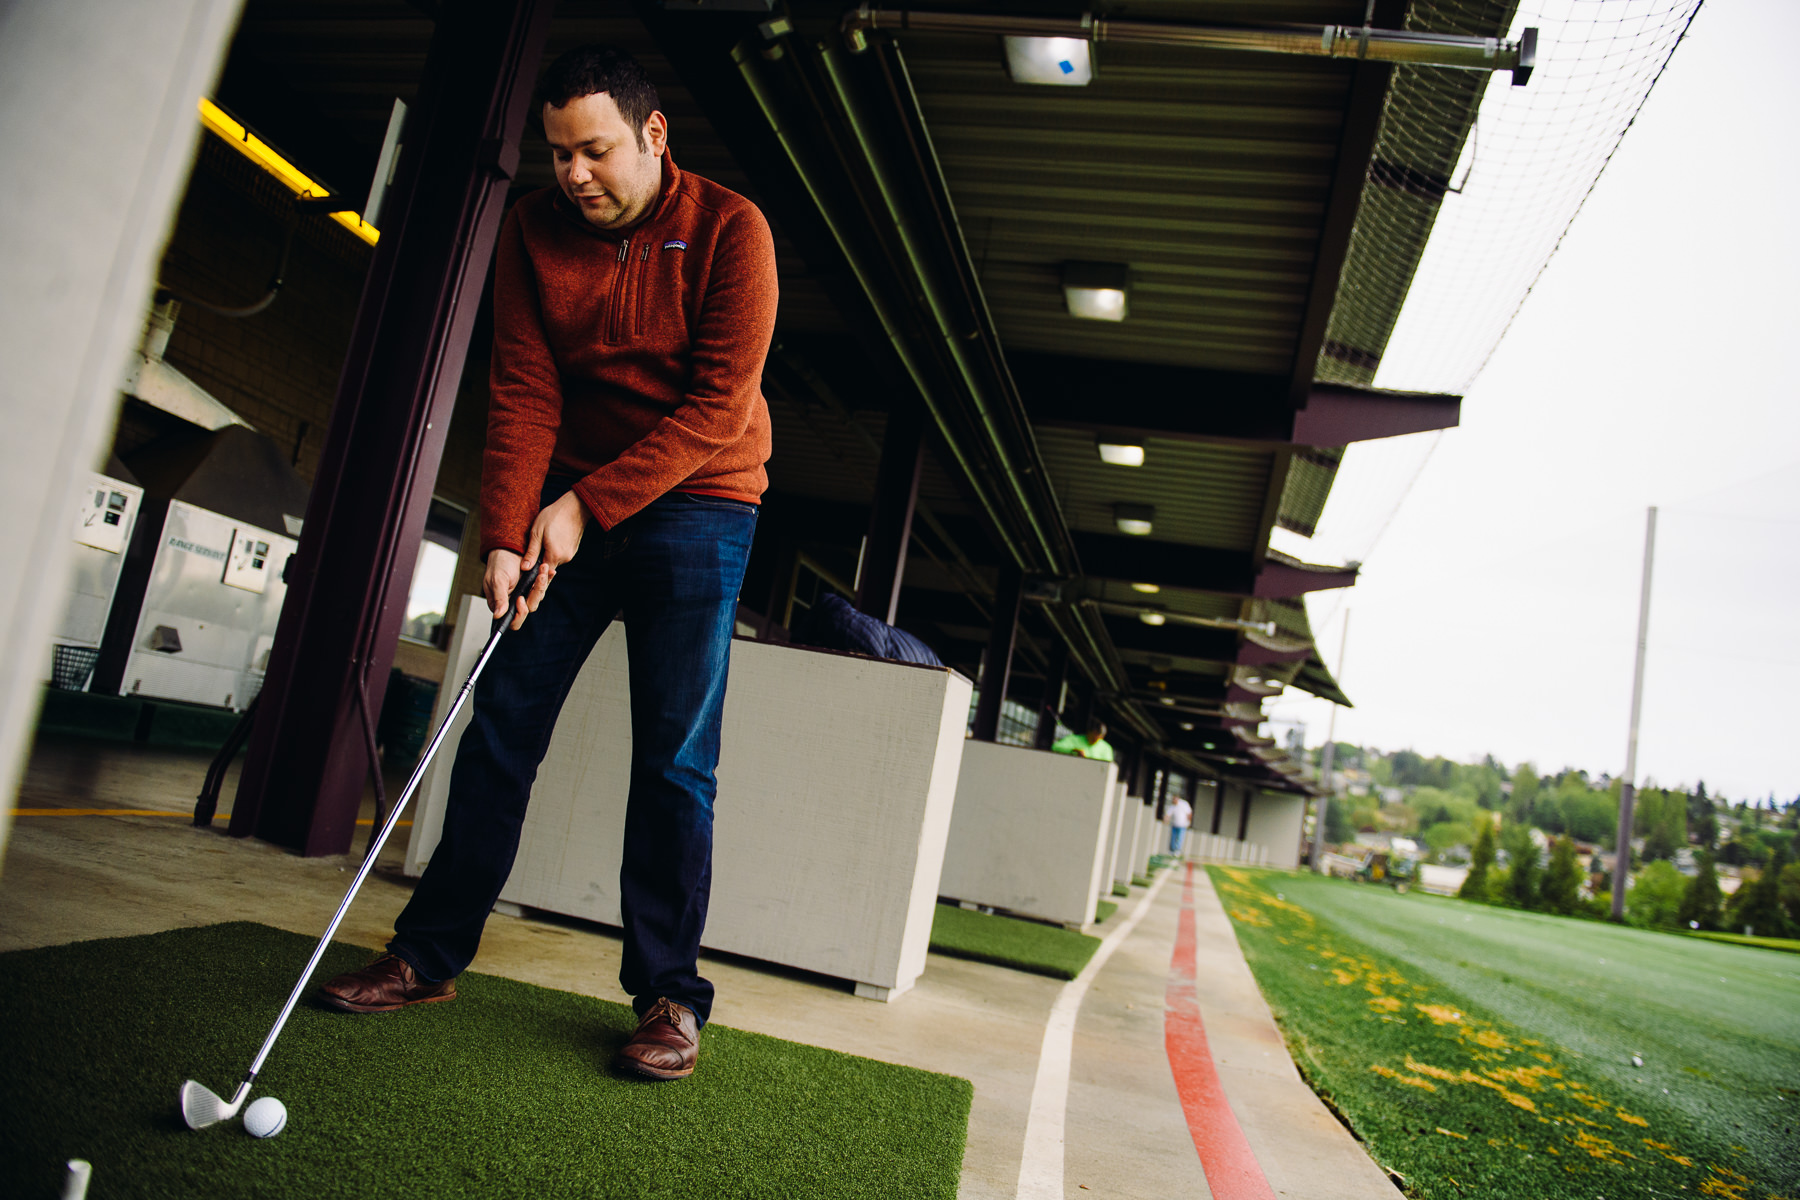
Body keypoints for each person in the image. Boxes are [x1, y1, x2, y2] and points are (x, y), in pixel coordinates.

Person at [318, 45, 777, 1083]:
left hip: (702, 505)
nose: (574, 175)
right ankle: (427, 956)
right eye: (559, 153)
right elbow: (524, 388)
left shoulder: (732, 230)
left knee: (674, 764)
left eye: (596, 151)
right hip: (565, 511)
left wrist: (585, 506)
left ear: (654, 136)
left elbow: (718, 409)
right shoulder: (532, 230)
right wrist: (509, 533)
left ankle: (668, 998)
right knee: (502, 730)